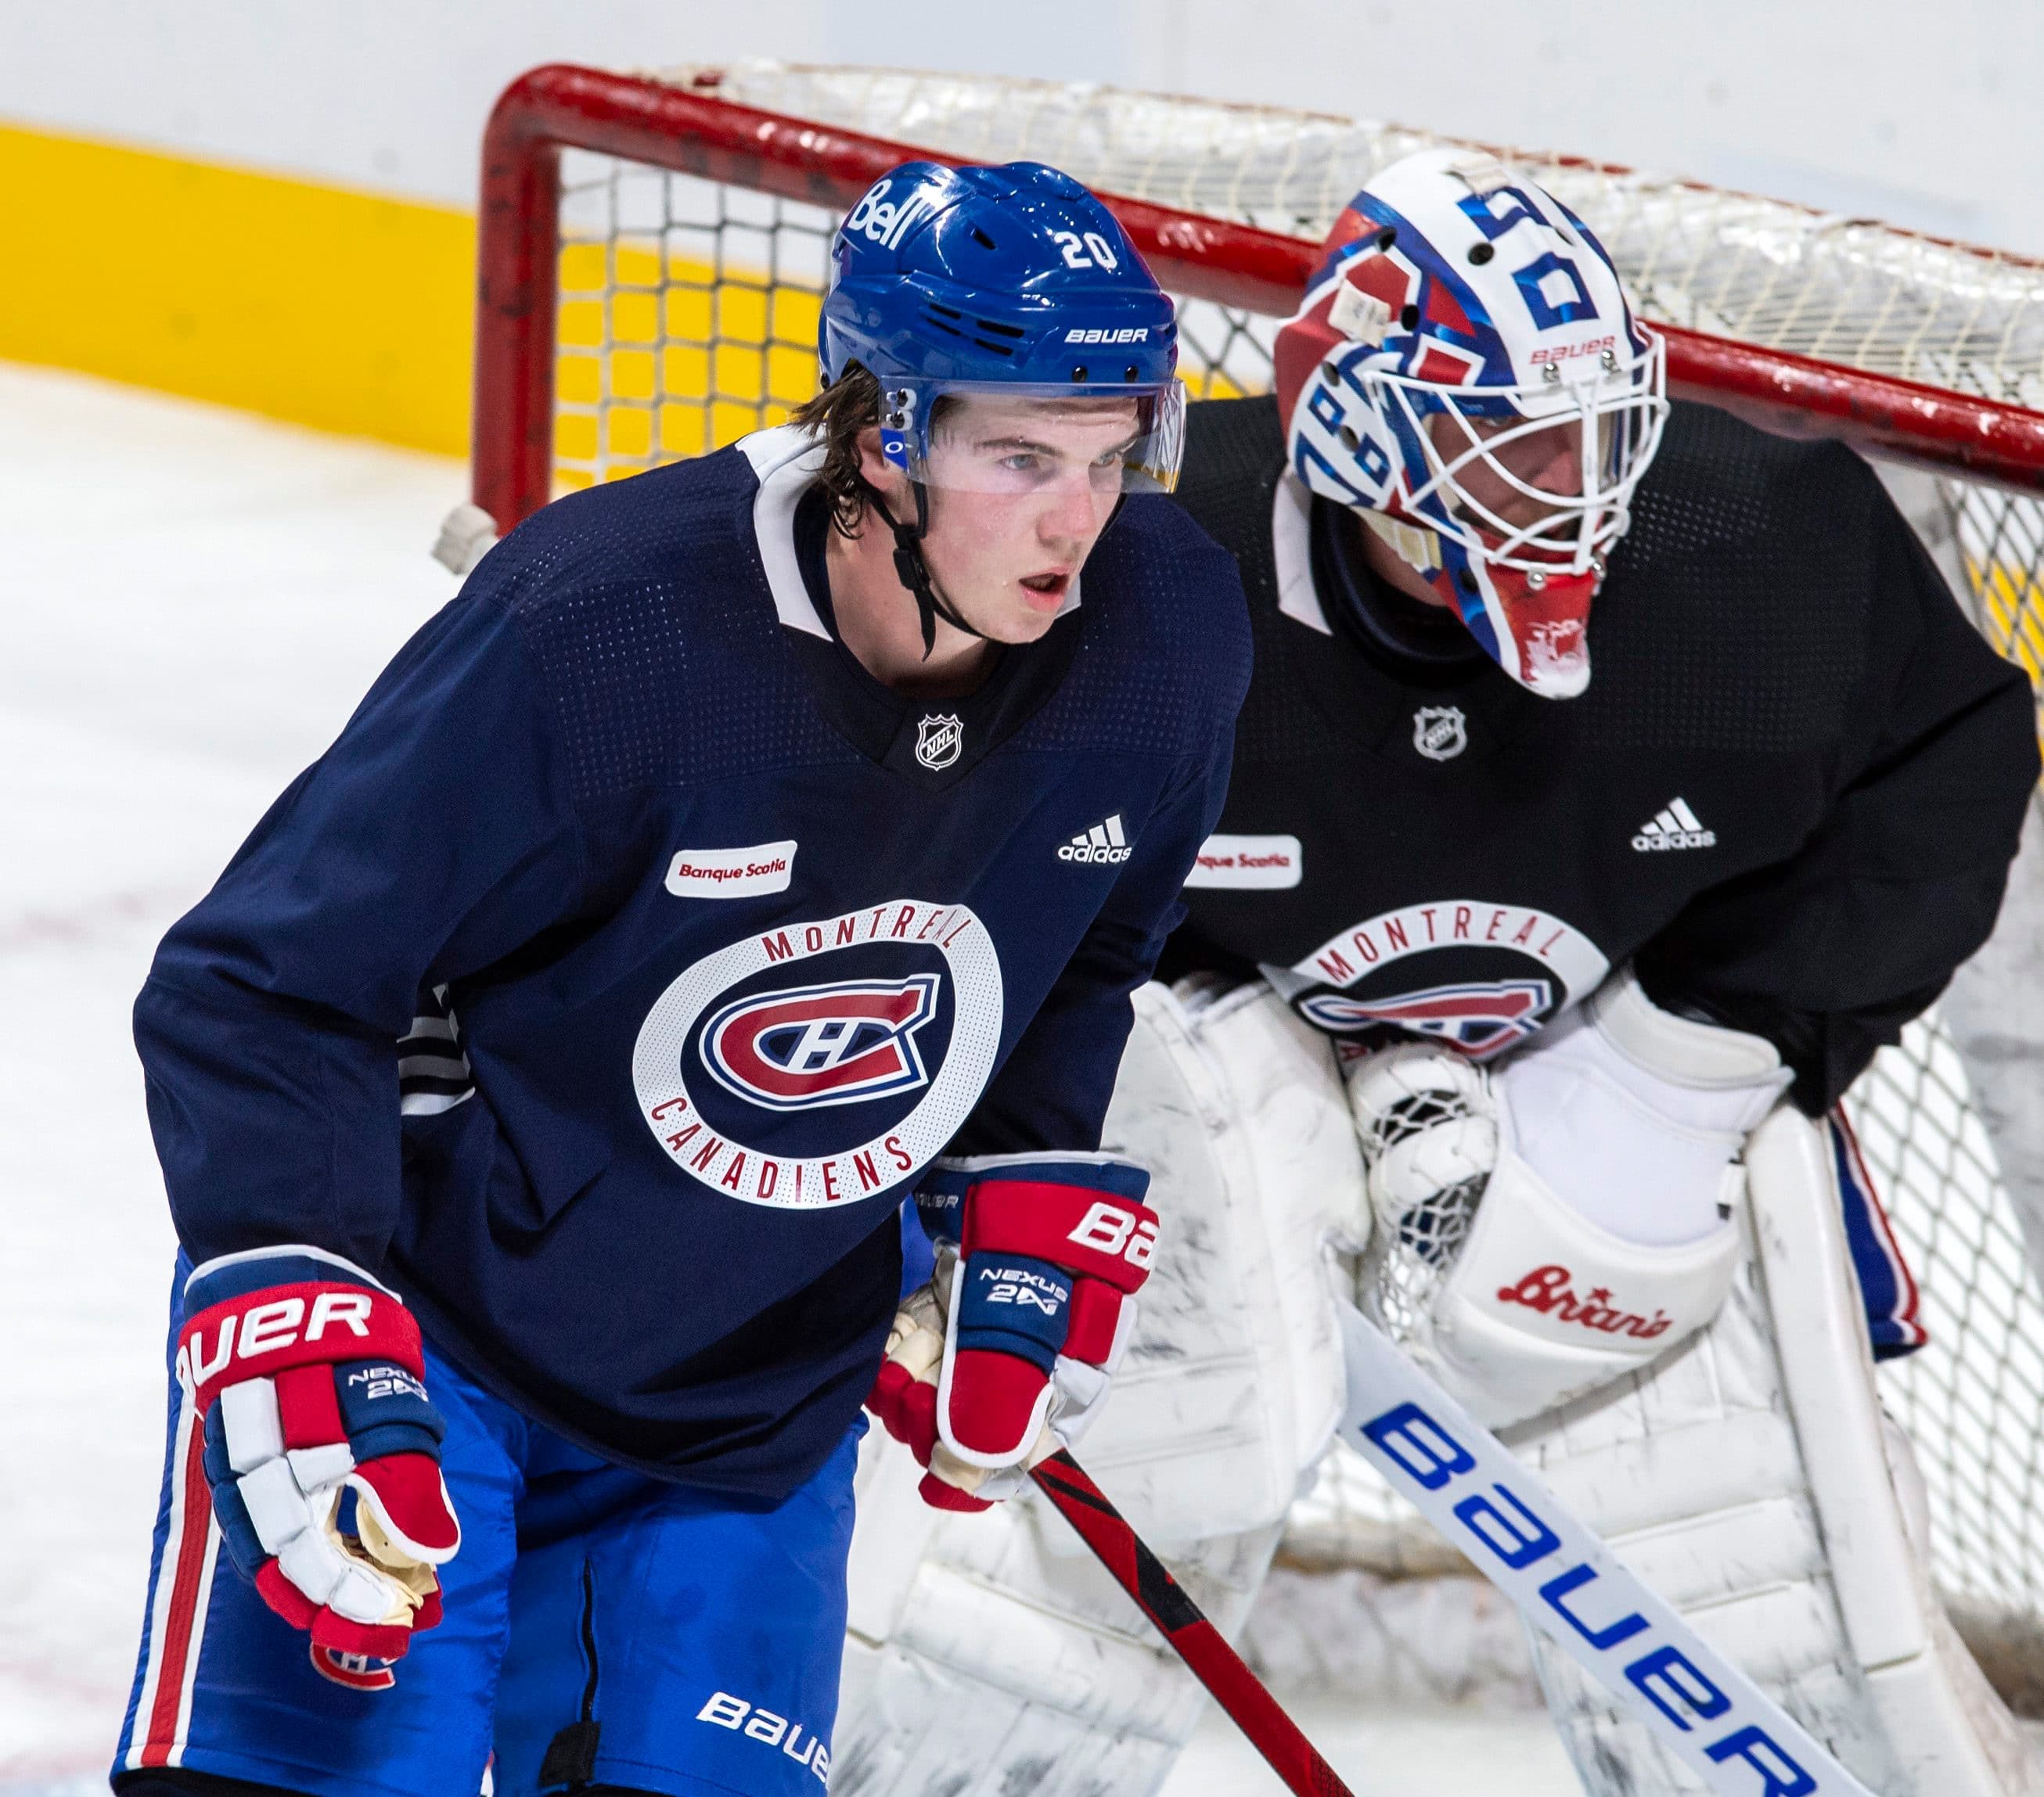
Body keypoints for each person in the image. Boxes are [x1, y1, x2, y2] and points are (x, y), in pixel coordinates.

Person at [833, 148, 2040, 1796]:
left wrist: (1697, 1060)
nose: (1582, 492)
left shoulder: (1756, 552)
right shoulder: (1141, 585)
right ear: (1354, 437)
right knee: (1113, 1456)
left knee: (1731, 1555)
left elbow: (1951, 760)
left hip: (1604, 1050)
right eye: (1507, 442)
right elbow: (917, 837)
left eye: (1600, 433)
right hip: (1200, 1040)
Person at [111, 156, 1251, 1797]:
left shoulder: (1167, 633)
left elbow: (1091, 942)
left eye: (1110, 450)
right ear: (889, 441)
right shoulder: (608, 627)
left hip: (750, 1410)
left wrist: (1020, 1161)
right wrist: (291, 1297)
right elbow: (264, 986)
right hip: (428, 1351)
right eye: (1018, 456)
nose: (1079, 517)